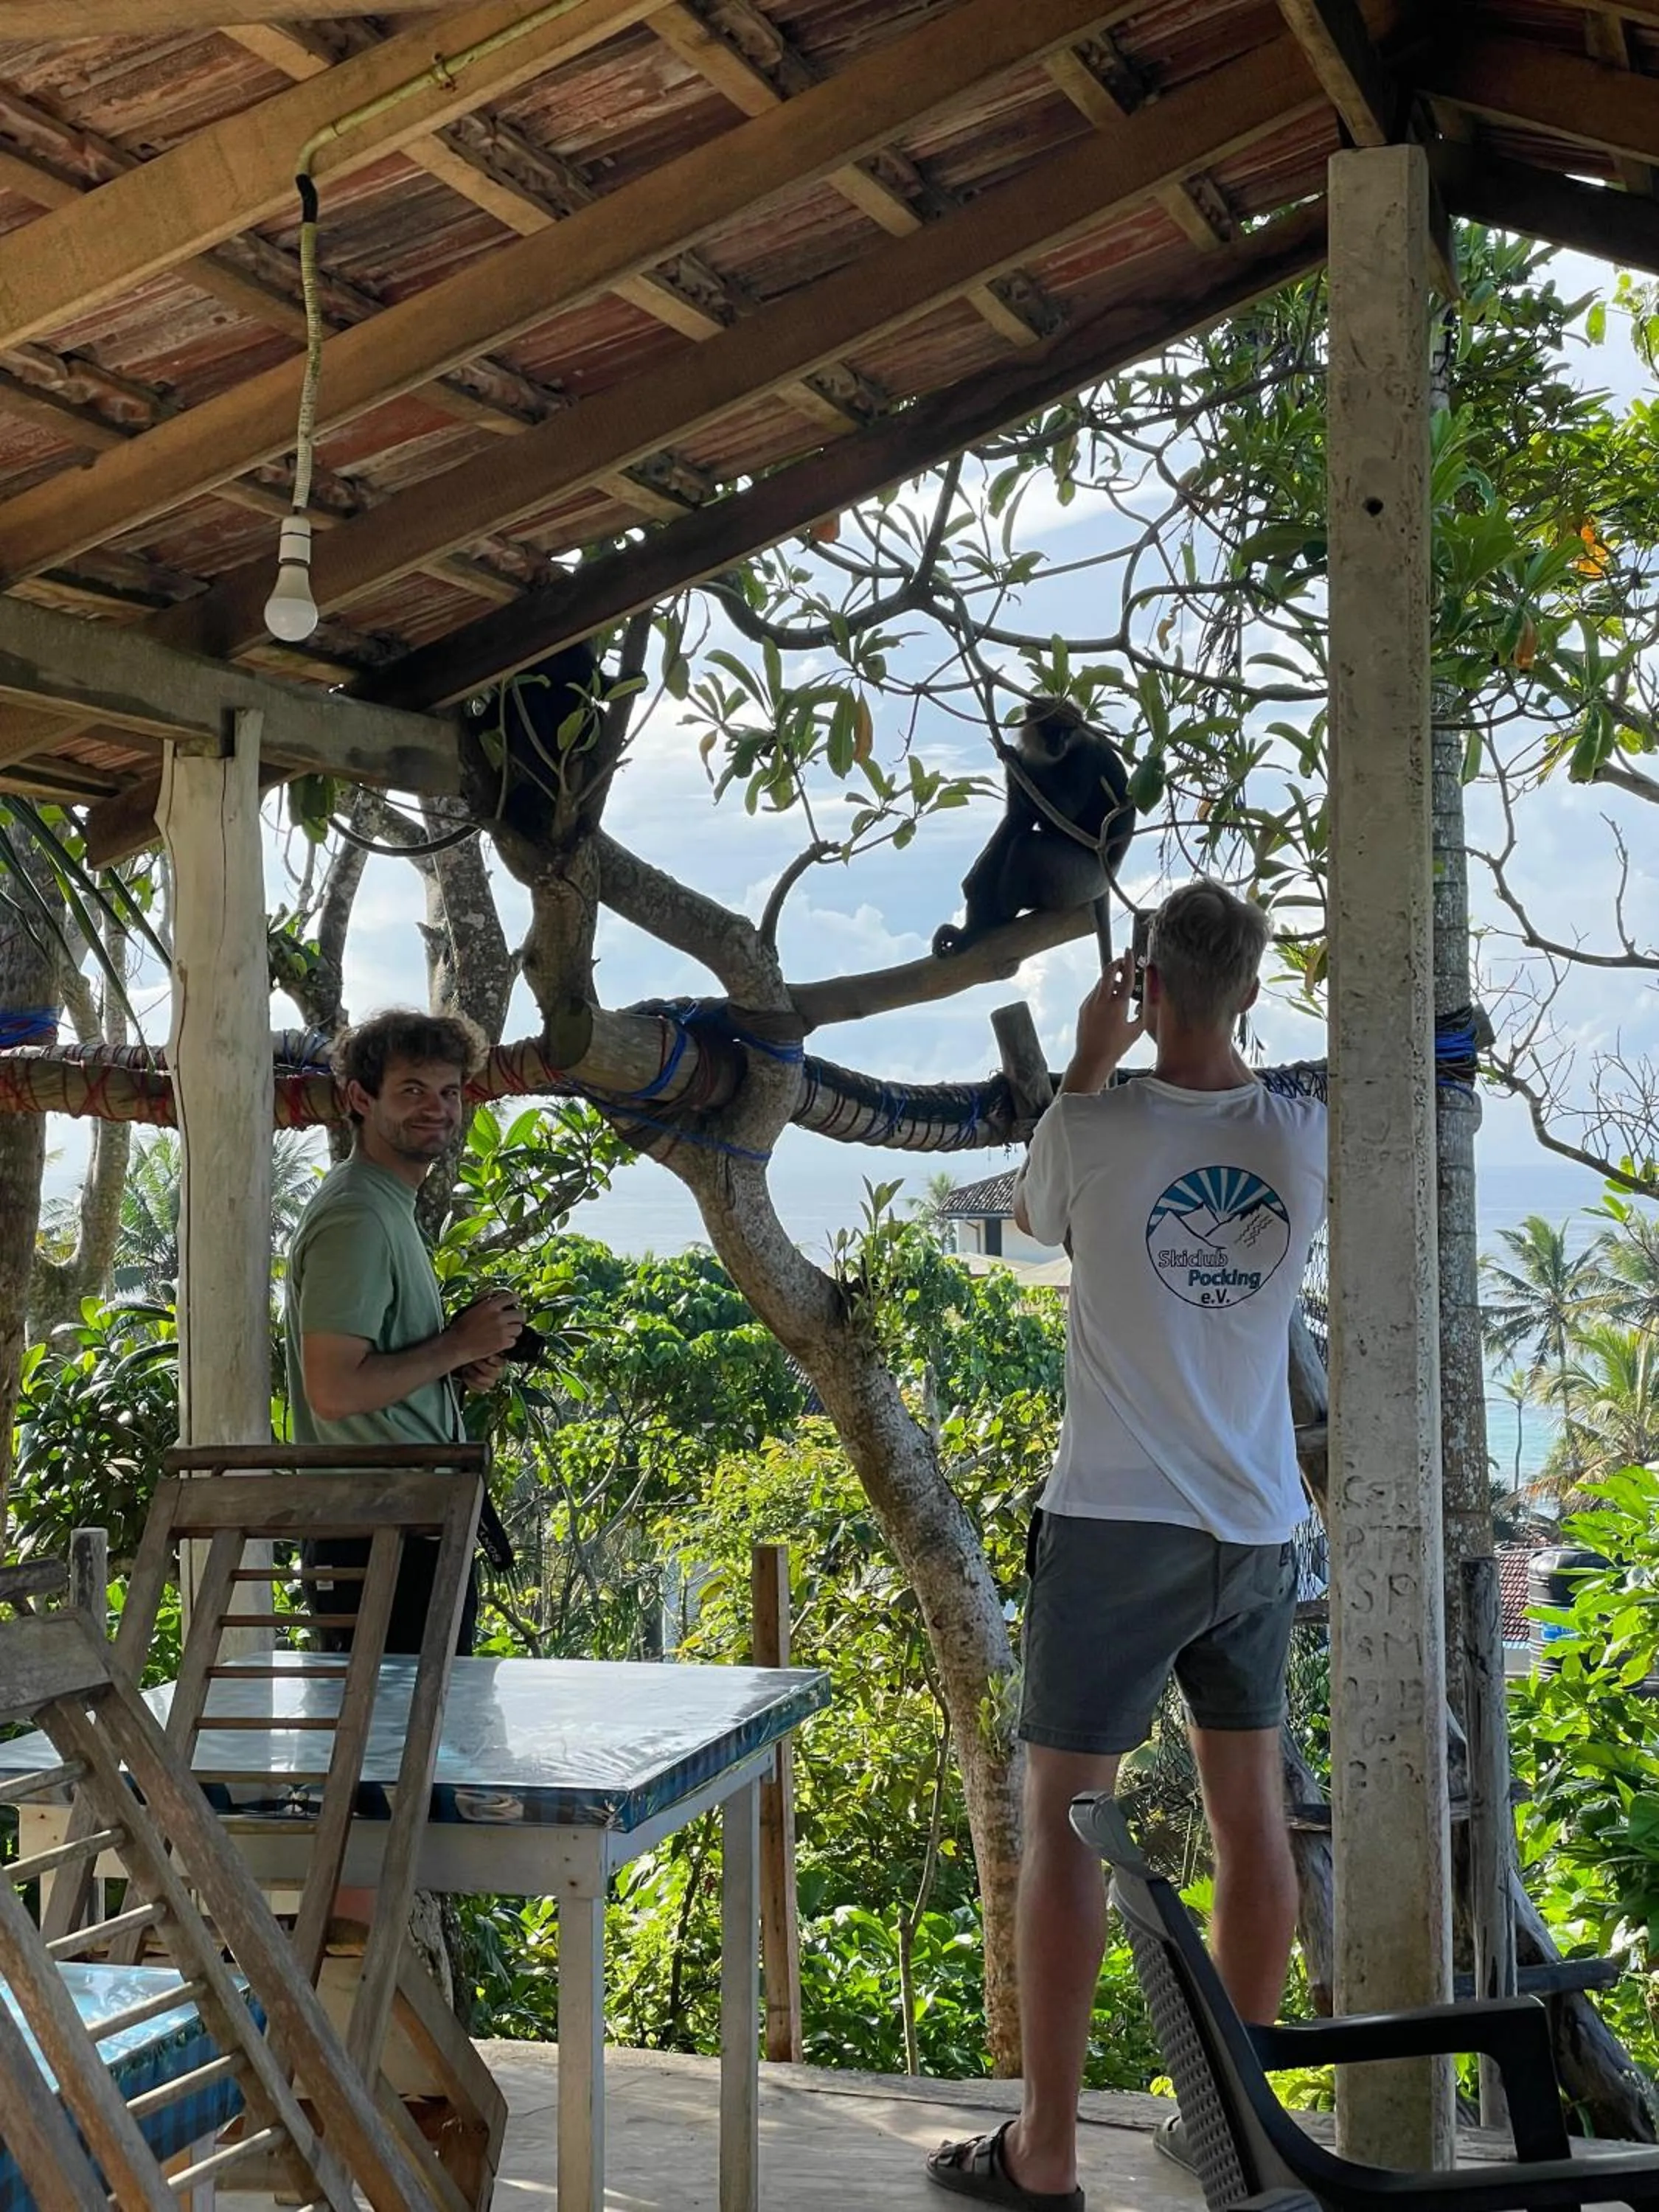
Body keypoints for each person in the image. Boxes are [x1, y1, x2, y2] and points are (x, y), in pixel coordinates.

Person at [926, 879, 1326, 2212]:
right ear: (1257, 990)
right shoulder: (1304, 1137)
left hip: (1113, 1524)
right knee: (1247, 1815)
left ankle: (1044, 2148)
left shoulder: (1093, 1130)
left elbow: (1036, 1219)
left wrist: (1090, 1060)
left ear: (1144, 984)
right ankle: (1231, 2113)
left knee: (1059, 1825)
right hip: (1260, 1525)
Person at [284, 1007, 525, 1658]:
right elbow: (333, 1390)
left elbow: (369, 1375)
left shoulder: (385, 1205)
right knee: (391, 1750)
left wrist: (453, 1365)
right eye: (412, 1090)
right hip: (375, 1536)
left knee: (416, 1745)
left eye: (449, 1092)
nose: (437, 1109)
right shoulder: (358, 1215)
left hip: (406, 1526)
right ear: (360, 1099)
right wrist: (456, 1345)